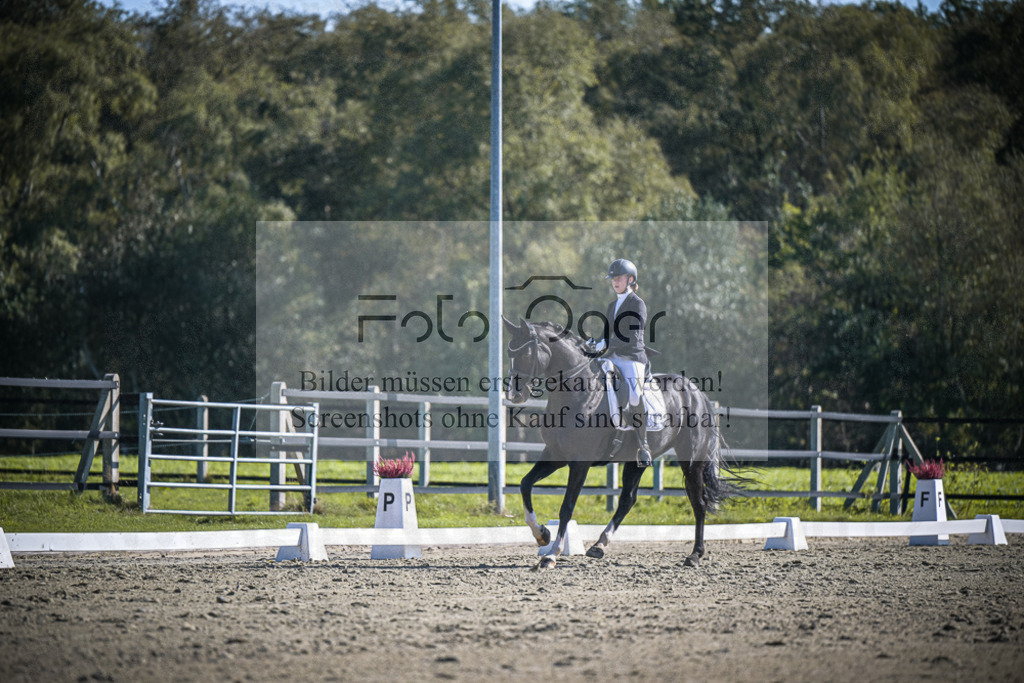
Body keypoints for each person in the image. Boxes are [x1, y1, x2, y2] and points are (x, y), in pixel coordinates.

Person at [585, 258, 652, 466]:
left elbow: (632, 338)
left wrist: (607, 344)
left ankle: (644, 445)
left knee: (634, 394)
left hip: (633, 358)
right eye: (613, 278)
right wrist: (594, 343)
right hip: (613, 357)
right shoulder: (612, 305)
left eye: (619, 278)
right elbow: (606, 334)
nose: (615, 281)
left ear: (630, 279)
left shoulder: (637, 304)